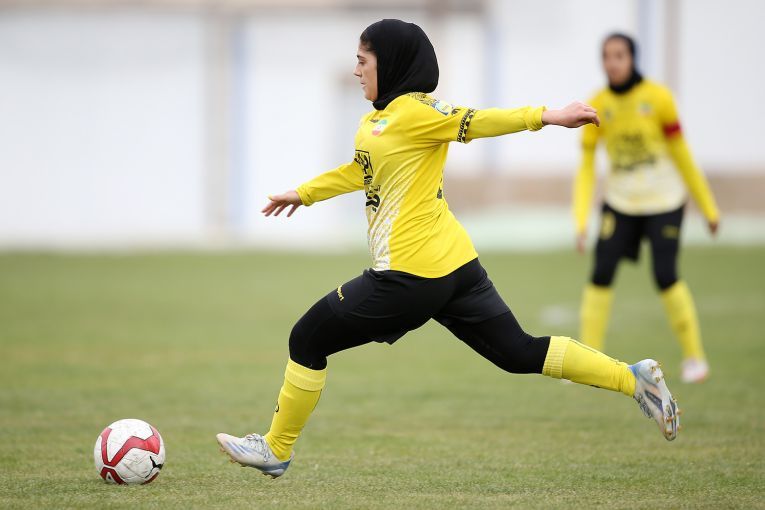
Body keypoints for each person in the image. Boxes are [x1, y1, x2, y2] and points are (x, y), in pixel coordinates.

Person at [217, 20, 679, 478]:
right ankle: (632, 377)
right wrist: (304, 193)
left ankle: (276, 448)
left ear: (389, 63)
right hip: (456, 267)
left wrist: (547, 115)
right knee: (518, 353)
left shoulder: (418, 111)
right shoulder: (375, 121)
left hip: (410, 276)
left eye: (363, 61)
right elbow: (361, 172)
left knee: (307, 338)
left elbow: (475, 122)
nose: (356, 71)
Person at [573, 33, 719, 384]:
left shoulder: (659, 98)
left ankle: (695, 358)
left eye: (619, 55)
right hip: (620, 203)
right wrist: (581, 220)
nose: (612, 62)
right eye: (607, 56)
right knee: (601, 272)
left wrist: (708, 208)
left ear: (632, 58)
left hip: (663, 201)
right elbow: (587, 167)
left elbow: (682, 153)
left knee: (665, 275)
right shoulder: (596, 105)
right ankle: (587, 362)